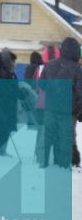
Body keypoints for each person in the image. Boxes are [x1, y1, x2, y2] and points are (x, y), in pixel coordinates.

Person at [38, 37, 82, 168]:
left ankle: (43, 161)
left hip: (50, 108)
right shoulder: (77, 69)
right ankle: (63, 163)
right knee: (66, 137)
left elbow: (42, 85)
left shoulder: (50, 65)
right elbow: (80, 92)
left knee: (48, 135)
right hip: (69, 111)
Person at [0, 48, 19, 156]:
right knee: (4, 128)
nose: (16, 63)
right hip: (3, 105)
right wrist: (18, 93)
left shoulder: (9, 73)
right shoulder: (3, 73)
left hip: (8, 104)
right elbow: (5, 90)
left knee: (6, 128)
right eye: (14, 61)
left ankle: (1, 150)